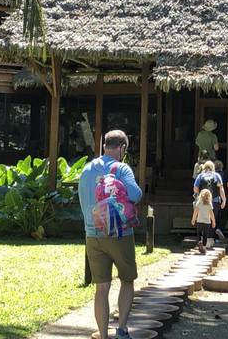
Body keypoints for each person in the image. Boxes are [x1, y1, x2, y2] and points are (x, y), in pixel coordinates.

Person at [78, 130, 142, 339]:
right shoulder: (122, 168)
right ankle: (122, 329)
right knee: (127, 280)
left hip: (92, 235)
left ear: (104, 145)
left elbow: (82, 200)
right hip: (119, 233)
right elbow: (135, 194)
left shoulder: (86, 169)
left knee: (101, 287)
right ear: (122, 148)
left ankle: (103, 335)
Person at [193, 160, 226, 243]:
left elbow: (195, 188)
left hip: (202, 202)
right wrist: (224, 200)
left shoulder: (200, 176)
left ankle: (201, 239)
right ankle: (210, 240)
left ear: (204, 167)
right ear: (213, 168)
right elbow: (221, 188)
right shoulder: (217, 175)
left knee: (202, 219)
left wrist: (200, 196)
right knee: (212, 219)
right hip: (214, 201)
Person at [191, 188, 216, 254]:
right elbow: (211, 214)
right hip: (207, 222)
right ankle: (204, 246)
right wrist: (213, 221)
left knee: (199, 233)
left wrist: (193, 219)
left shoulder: (199, 203)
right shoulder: (209, 204)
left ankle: (199, 242)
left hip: (199, 221)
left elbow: (195, 212)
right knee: (205, 234)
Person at [215, 160, 228, 239]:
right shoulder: (225, 174)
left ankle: (213, 233)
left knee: (215, 215)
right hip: (224, 197)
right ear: (222, 167)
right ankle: (220, 229)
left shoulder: (212, 175)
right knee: (225, 215)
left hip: (214, 198)